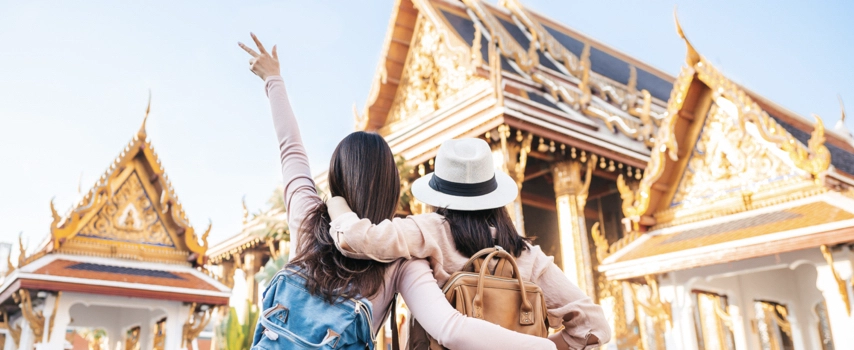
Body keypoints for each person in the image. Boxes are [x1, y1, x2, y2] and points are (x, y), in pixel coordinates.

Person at [239, 33, 559, 349]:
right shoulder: (400, 258)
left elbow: (291, 150)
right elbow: (450, 329)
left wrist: (273, 79)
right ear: (392, 187)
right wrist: (544, 347)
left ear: (336, 177)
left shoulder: (307, 215)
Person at [326, 138, 612, 350]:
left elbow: (355, 239)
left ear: (438, 192)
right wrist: (534, 344)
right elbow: (594, 326)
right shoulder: (526, 255)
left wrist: (335, 203)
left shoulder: (429, 232)